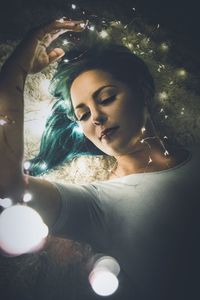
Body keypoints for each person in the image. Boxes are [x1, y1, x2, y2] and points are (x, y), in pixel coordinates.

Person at [0, 18, 199, 299]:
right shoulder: (97, 204)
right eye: (82, 114)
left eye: (106, 98)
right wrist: (14, 71)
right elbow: (7, 183)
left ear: (142, 91)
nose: (95, 117)